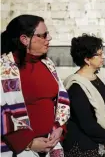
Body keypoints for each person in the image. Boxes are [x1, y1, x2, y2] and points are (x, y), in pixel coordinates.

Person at [0, 14, 70, 157]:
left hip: (52, 146)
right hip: (18, 148)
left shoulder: (48, 64)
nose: (49, 38)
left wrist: (59, 127)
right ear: (24, 39)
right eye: (43, 35)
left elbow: (61, 99)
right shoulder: (3, 68)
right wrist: (28, 142)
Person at [62, 34, 105, 156]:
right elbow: (86, 121)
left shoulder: (99, 79)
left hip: (97, 144)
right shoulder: (76, 85)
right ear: (87, 59)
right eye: (99, 54)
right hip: (82, 148)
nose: (104, 57)